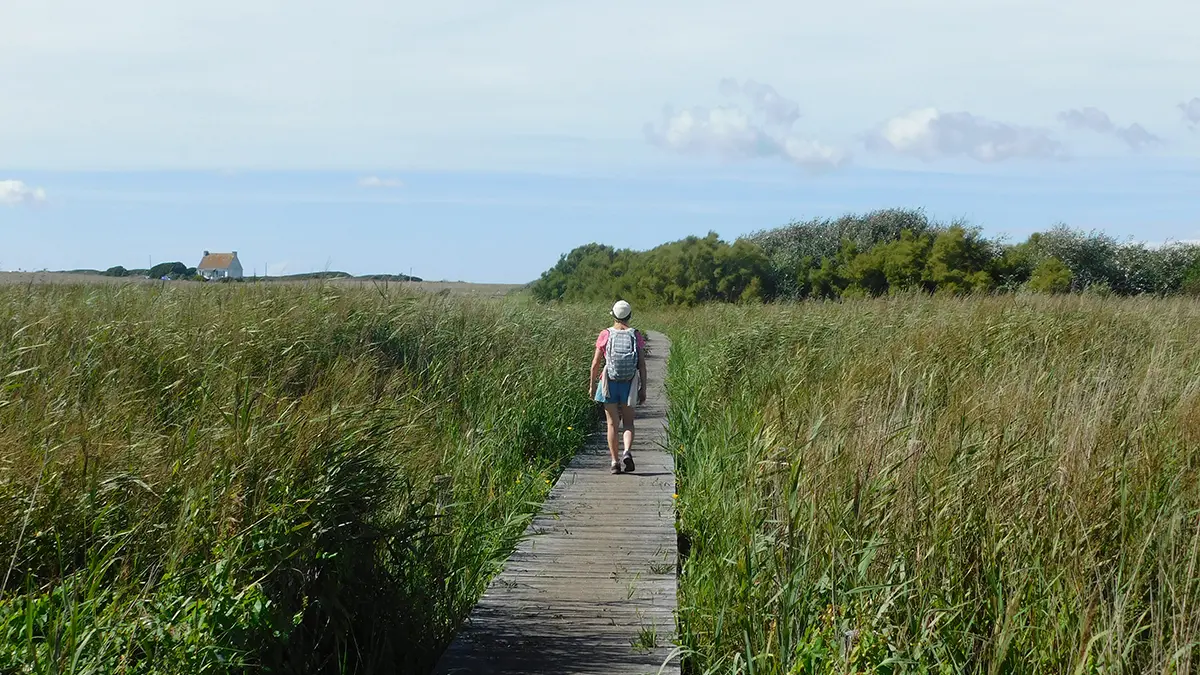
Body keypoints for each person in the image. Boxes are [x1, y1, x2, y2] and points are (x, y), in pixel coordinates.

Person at [589, 300, 647, 474]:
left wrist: (592, 386)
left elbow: (595, 363)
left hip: (609, 383)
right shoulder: (635, 335)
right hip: (629, 383)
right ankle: (627, 452)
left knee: (612, 424)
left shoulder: (605, 334)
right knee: (628, 422)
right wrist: (643, 388)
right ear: (629, 316)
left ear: (613, 315)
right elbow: (642, 364)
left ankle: (615, 462)